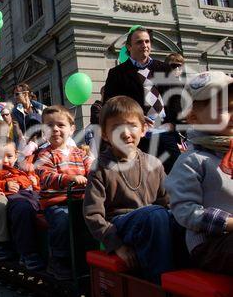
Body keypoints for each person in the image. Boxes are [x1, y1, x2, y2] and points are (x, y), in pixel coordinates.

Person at [83, 96, 174, 284]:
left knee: (172, 219)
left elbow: (168, 201)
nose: (125, 133)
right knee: (156, 214)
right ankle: (158, 285)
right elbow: (93, 214)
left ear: (143, 129)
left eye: (132, 125)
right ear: (106, 135)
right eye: (116, 128)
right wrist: (116, 244)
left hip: (154, 224)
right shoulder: (100, 166)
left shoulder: (154, 164)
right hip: (121, 226)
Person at [164, 72, 233, 275]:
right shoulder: (192, 159)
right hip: (210, 244)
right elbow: (185, 210)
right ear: (193, 117)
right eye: (224, 110)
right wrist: (228, 223)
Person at [103, 26, 180, 173]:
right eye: (139, 42)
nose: (144, 45)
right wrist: (136, 118)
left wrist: (173, 124)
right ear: (129, 47)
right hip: (138, 137)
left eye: (147, 41)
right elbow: (111, 104)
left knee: (176, 177)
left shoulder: (164, 68)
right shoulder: (117, 74)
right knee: (144, 178)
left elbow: (177, 100)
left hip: (165, 132)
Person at [35, 105, 93, 280]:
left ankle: (90, 257)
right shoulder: (45, 155)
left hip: (80, 201)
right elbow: (46, 177)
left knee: (97, 216)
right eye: (50, 126)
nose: (55, 129)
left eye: (60, 125)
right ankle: (58, 260)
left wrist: (96, 175)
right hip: (57, 202)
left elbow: (91, 168)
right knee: (62, 220)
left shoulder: (80, 153)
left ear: (72, 129)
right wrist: (71, 178)